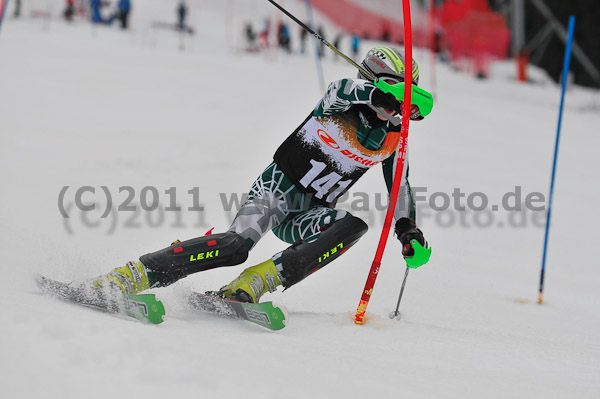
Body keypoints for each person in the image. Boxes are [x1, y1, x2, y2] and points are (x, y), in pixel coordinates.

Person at [83, 47, 431, 304]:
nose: (397, 110)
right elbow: (339, 90)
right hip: (277, 192)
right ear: (372, 85)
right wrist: (376, 95)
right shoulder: (340, 103)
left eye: (407, 101)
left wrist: (407, 230)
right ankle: (130, 276)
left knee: (352, 225)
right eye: (392, 95)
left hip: (309, 212)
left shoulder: (395, 140)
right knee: (236, 246)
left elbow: (400, 187)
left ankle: (252, 284)